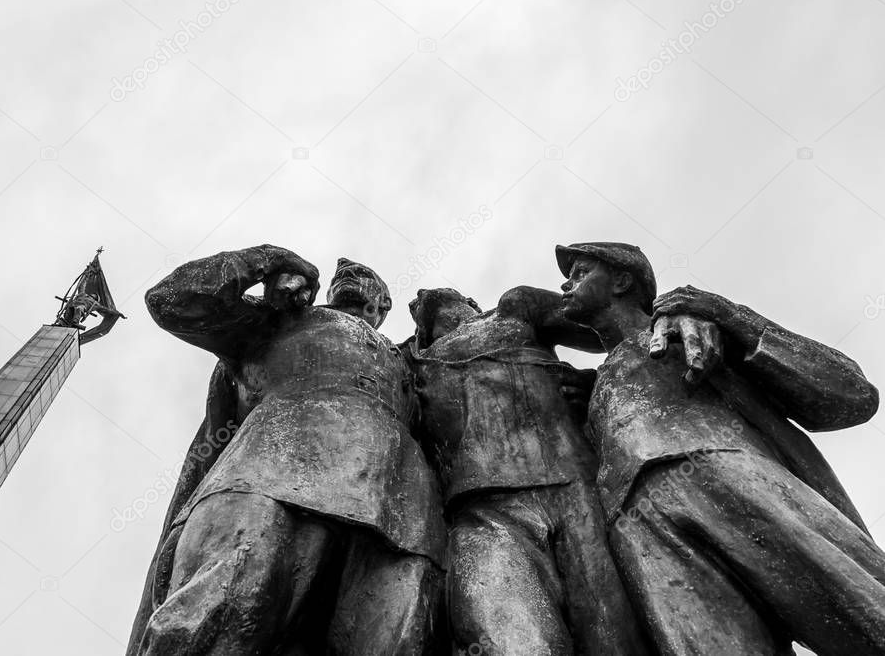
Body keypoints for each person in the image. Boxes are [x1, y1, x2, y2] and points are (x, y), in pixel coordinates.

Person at [556, 241, 885, 655]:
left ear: (622, 280)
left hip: (718, 470)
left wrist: (728, 317)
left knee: (862, 609)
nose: (567, 286)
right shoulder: (595, 390)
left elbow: (851, 395)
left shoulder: (686, 325)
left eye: (581, 273)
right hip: (633, 522)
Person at [130, 245, 446, 655]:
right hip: (269, 479)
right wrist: (270, 259)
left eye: (359, 272)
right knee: (217, 622)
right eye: (339, 277)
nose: (343, 271)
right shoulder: (282, 318)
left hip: (396, 518)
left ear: (383, 302)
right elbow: (171, 301)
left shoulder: (410, 364)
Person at [407, 286, 651, 655]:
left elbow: (614, 323)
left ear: (473, 301)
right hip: (480, 508)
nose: (423, 296)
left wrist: (603, 381)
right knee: (502, 635)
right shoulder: (409, 360)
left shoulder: (514, 308)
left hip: (576, 488)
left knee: (614, 633)